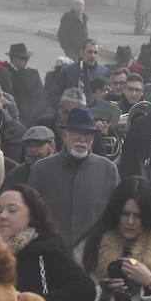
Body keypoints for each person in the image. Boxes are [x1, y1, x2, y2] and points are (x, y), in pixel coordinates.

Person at [28, 107, 119, 250]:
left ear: (94, 138)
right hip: (52, 253)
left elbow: (115, 216)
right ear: (64, 135)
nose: (82, 139)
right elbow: (30, 215)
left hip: (93, 255)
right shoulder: (41, 170)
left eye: (88, 134)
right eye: (77, 132)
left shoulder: (108, 170)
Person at [2, 124, 55, 189]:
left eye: (38, 145)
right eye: (29, 145)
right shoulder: (16, 174)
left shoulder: (63, 170)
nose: (33, 149)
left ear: (52, 146)